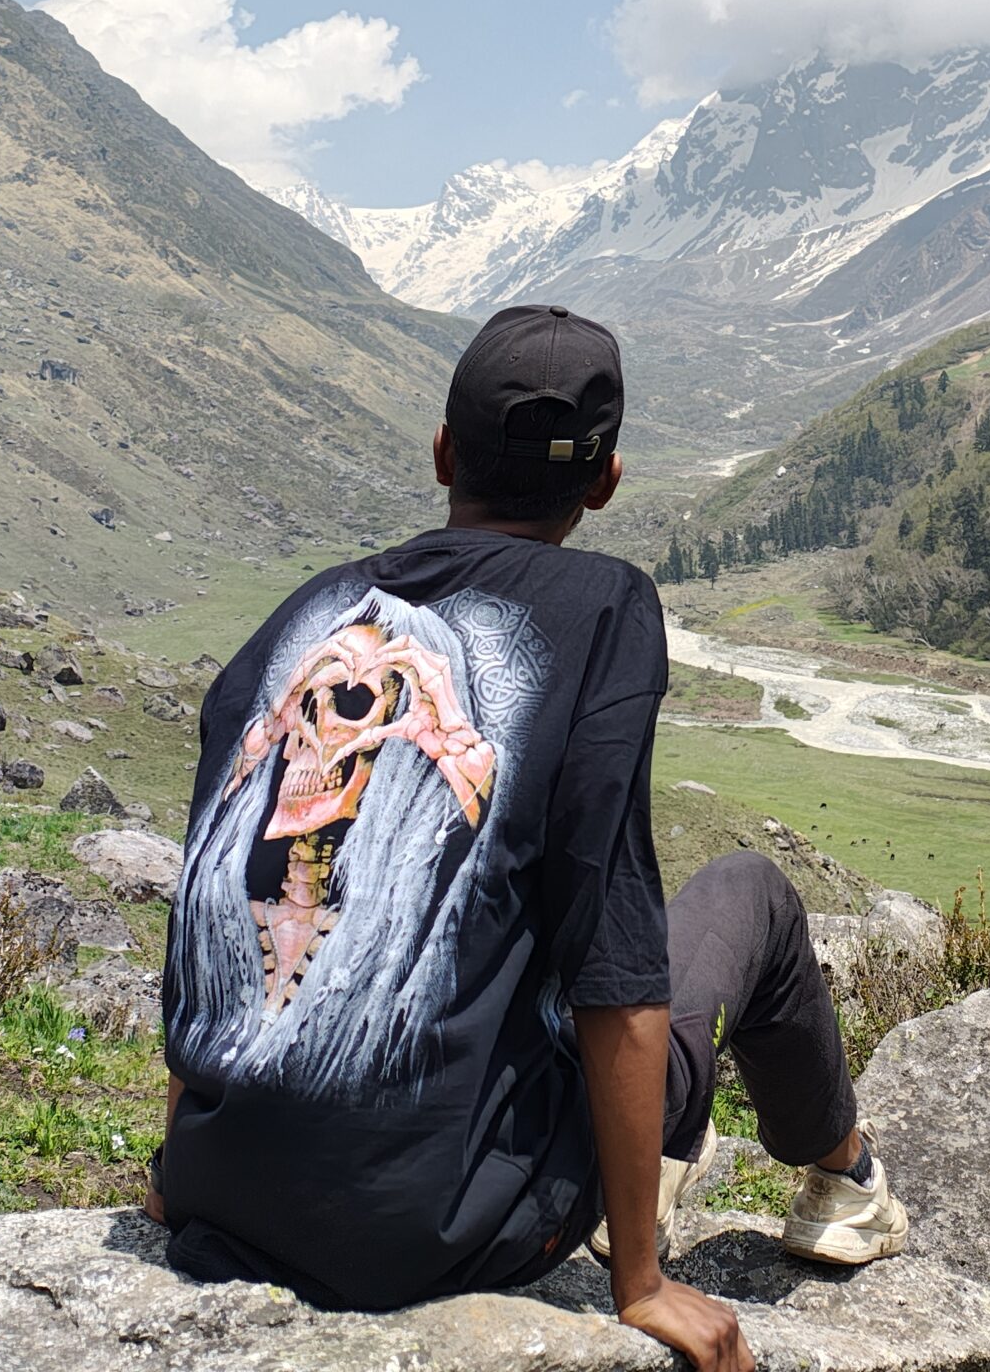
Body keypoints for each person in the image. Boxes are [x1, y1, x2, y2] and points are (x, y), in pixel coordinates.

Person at [144, 304, 906, 1372]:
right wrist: (638, 1284)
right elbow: (616, 961)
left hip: (218, 1199)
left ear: (445, 450)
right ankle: (846, 1177)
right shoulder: (604, 608)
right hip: (449, 1226)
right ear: (605, 483)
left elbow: (214, 897)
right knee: (748, 896)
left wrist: (183, 1168)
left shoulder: (306, 613)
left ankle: (682, 1152)